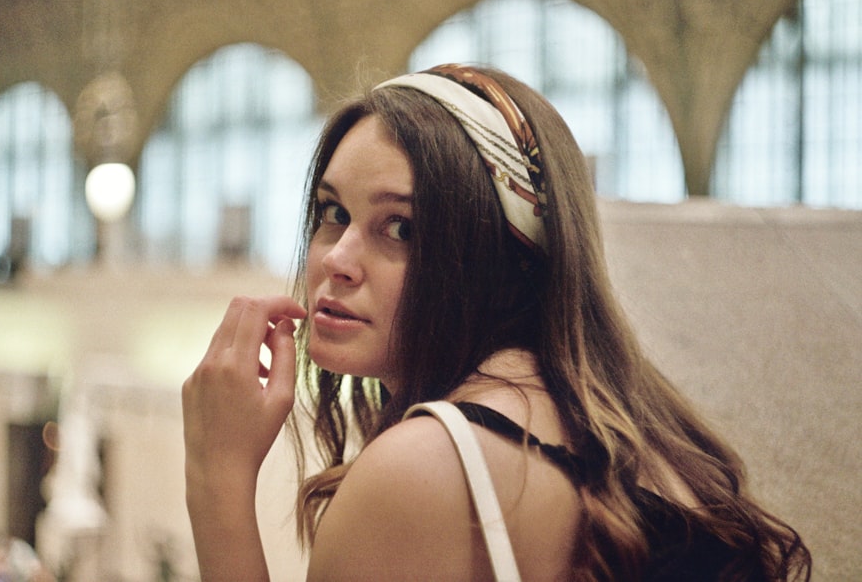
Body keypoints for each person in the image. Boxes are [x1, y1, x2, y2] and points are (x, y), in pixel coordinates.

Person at [182, 64, 811, 581]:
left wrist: (219, 481)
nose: (337, 260)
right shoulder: (643, 442)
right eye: (332, 212)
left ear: (505, 255)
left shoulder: (424, 468)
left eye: (402, 227)